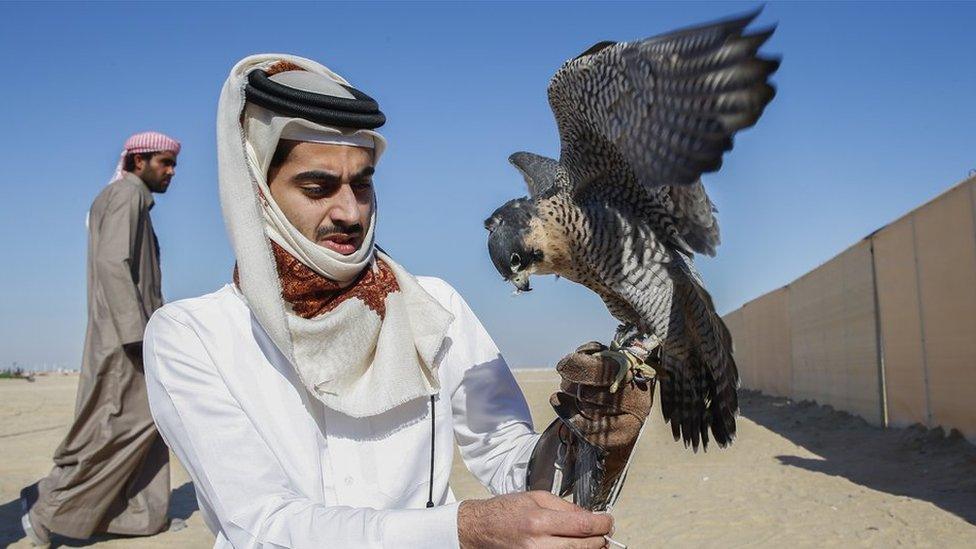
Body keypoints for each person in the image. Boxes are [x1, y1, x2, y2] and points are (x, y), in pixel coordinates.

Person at [143, 54, 650, 548]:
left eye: (361, 185)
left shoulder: (433, 306)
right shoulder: (192, 336)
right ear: (258, 193)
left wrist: (588, 441)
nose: (349, 211)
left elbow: (510, 462)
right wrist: (461, 531)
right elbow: (261, 524)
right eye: (317, 187)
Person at [21, 131, 181, 547]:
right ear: (137, 161)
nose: (171, 172)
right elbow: (113, 263)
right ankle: (46, 511)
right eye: (164, 162)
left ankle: (135, 516)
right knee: (117, 427)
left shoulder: (129, 200)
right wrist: (136, 335)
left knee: (144, 422)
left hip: (127, 334)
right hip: (123, 339)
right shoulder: (125, 195)